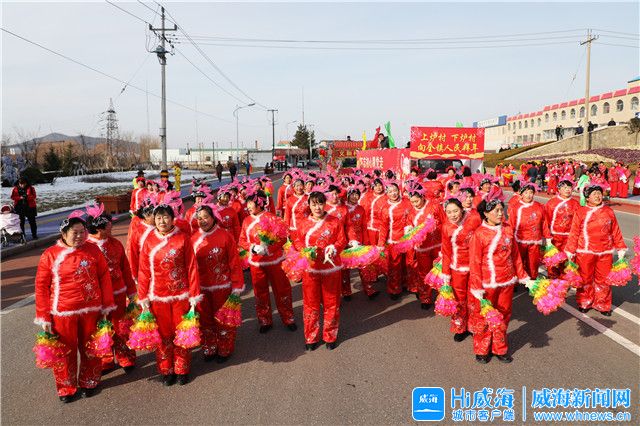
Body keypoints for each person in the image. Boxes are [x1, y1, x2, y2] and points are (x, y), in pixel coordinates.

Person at [34, 212, 115, 401]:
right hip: (63, 312)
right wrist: (44, 316)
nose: (79, 236)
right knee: (65, 351)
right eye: (74, 233)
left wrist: (106, 305)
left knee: (90, 348)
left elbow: (104, 277)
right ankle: (66, 388)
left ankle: (89, 381)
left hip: (92, 310)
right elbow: (41, 286)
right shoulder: (50, 254)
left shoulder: (93, 250)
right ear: (64, 234)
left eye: (82, 232)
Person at [137, 204, 201, 386]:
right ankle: (166, 370)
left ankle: (182, 369)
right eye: (158, 218)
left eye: (165, 217)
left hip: (181, 294)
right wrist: (143, 296)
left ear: (173, 219)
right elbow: (143, 271)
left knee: (181, 332)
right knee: (163, 335)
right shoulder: (149, 240)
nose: (162, 221)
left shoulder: (183, 238)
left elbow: (192, 267)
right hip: (157, 296)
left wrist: (194, 294)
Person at [468, 192, 529, 364]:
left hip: (506, 281)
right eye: (496, 211)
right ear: (486, 214)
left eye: (502, 210)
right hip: (486, 284)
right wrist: (477, 287)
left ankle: (499, 348)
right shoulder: (479, 234)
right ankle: (482, 349)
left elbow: (515, 255)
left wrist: (522, 275)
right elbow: (474, 262)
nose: (500, 213)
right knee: (483, 316)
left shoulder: (507, 229)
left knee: (504, 314)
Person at [85, 205, 137, 373]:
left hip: (118, 293)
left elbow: (125, 269)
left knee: (121, 326)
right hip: (97, 297)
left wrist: (131, 292)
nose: (111, 226)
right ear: (99, 227)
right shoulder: (86, 247)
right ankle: (105, 360)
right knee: (102, 328)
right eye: (108, 224)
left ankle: (126, 357)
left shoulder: (115, 244)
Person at [293, 191, 347, 350]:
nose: (317, 207)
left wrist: (334, 247)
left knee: (332, 303)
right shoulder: (303, 223)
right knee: (311, 304)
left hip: (331, 269)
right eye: (314, 204)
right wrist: (305, 251)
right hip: (311, 270)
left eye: (320, 203)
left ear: (325, 204)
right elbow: (297, 241)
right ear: (309, 205)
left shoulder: (334, 221)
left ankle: (330, 335)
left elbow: (342, 240)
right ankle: (311, 337)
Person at [191, 204, 244, 362]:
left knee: (223, 319)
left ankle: (224, 348)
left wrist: (237, 286)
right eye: (199, 218)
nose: (203, 221)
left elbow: (234, 263)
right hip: (202, 289)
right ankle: (210, 347)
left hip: (223, 286)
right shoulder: (193, 239)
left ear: (213, 217)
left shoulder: (225, 236)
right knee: (205, 320)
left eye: (206, 217)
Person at [238, 190, 296, 333]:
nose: (248, 206)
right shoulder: (246, 221)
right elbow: (242, 240)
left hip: (275, 261)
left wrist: (268, 249)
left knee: (282, 289)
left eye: (251, 203)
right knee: (260, 292)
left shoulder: (272, 218)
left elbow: (283, 238)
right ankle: (265, 320)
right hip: (256, 263)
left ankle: (288, 317)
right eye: (248, 203)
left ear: (260, 203)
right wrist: (252, 247)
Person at [564, 185, 626, 316]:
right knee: (585, 278)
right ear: (587, 197)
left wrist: (620, 247)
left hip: (605, 252)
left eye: (599, 193)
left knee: (603, 279)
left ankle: (603, 304)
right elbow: (574, 232)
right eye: (594, 194)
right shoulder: (581, 212)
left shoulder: (609, 211)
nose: (598, 196)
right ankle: (584, 301)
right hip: (585, 252)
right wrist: (570, 249)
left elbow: (615, 231)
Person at [440, 197, 482, 341]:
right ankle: (460, 327)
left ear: (462, 209)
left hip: (475, 267)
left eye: (455, 211)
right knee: (459, 299)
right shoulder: (446, 227)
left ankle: (473, 326)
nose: (453, 215)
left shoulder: (474, 219)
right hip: (457, 268)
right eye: (449, 212)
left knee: (475, 298)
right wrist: (446, 275)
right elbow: (446, 252)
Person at [405, 180, 444, 309]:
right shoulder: (411, 212)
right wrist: (408, 229)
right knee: (423, 273)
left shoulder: (435, 206)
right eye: (412, 202)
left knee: (440, 272)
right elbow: (409, 224)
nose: (415, 204)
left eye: (417, 201)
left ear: (422, 197)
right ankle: (425, 298)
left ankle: (443, 298)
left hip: (437, 245)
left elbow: (444, 222)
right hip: (422, 247)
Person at [507, 181, 550, 280]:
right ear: (521, 194)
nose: (528, 195)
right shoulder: (516, 207)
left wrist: (547, 237)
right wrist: (509, 238)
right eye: (526, 193)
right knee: (519, 261)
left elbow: (544, 222)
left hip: (535, 240)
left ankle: (532, 279)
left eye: (531, 192)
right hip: (519, 240)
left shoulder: (539, 206)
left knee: (533, 262)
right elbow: (511, 224)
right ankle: (518, 280)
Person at [377, 181, 412, 299]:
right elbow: (383, 227)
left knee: (408, 264)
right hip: (394, 241)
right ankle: (394, 289)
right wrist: (381, 243)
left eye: (395, 190)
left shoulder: (407, 202)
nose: (393, 193)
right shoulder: (385, 208)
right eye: (390, 191)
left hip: (408, 239)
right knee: (394, 266)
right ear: (386, 193)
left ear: (399, 191)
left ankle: (407, 284)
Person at [544, 178, 580, 278]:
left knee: (568, 258)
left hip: (569, 237)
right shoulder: (551, 203)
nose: (567, 189)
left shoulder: (575, 204)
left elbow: (579, 222)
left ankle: (565, 279)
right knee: (554, 259)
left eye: (569, 187)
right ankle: (553, 278)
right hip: (554, 236)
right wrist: (547, 236)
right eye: (564, 187)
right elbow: (546, 220)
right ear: (559, 190)